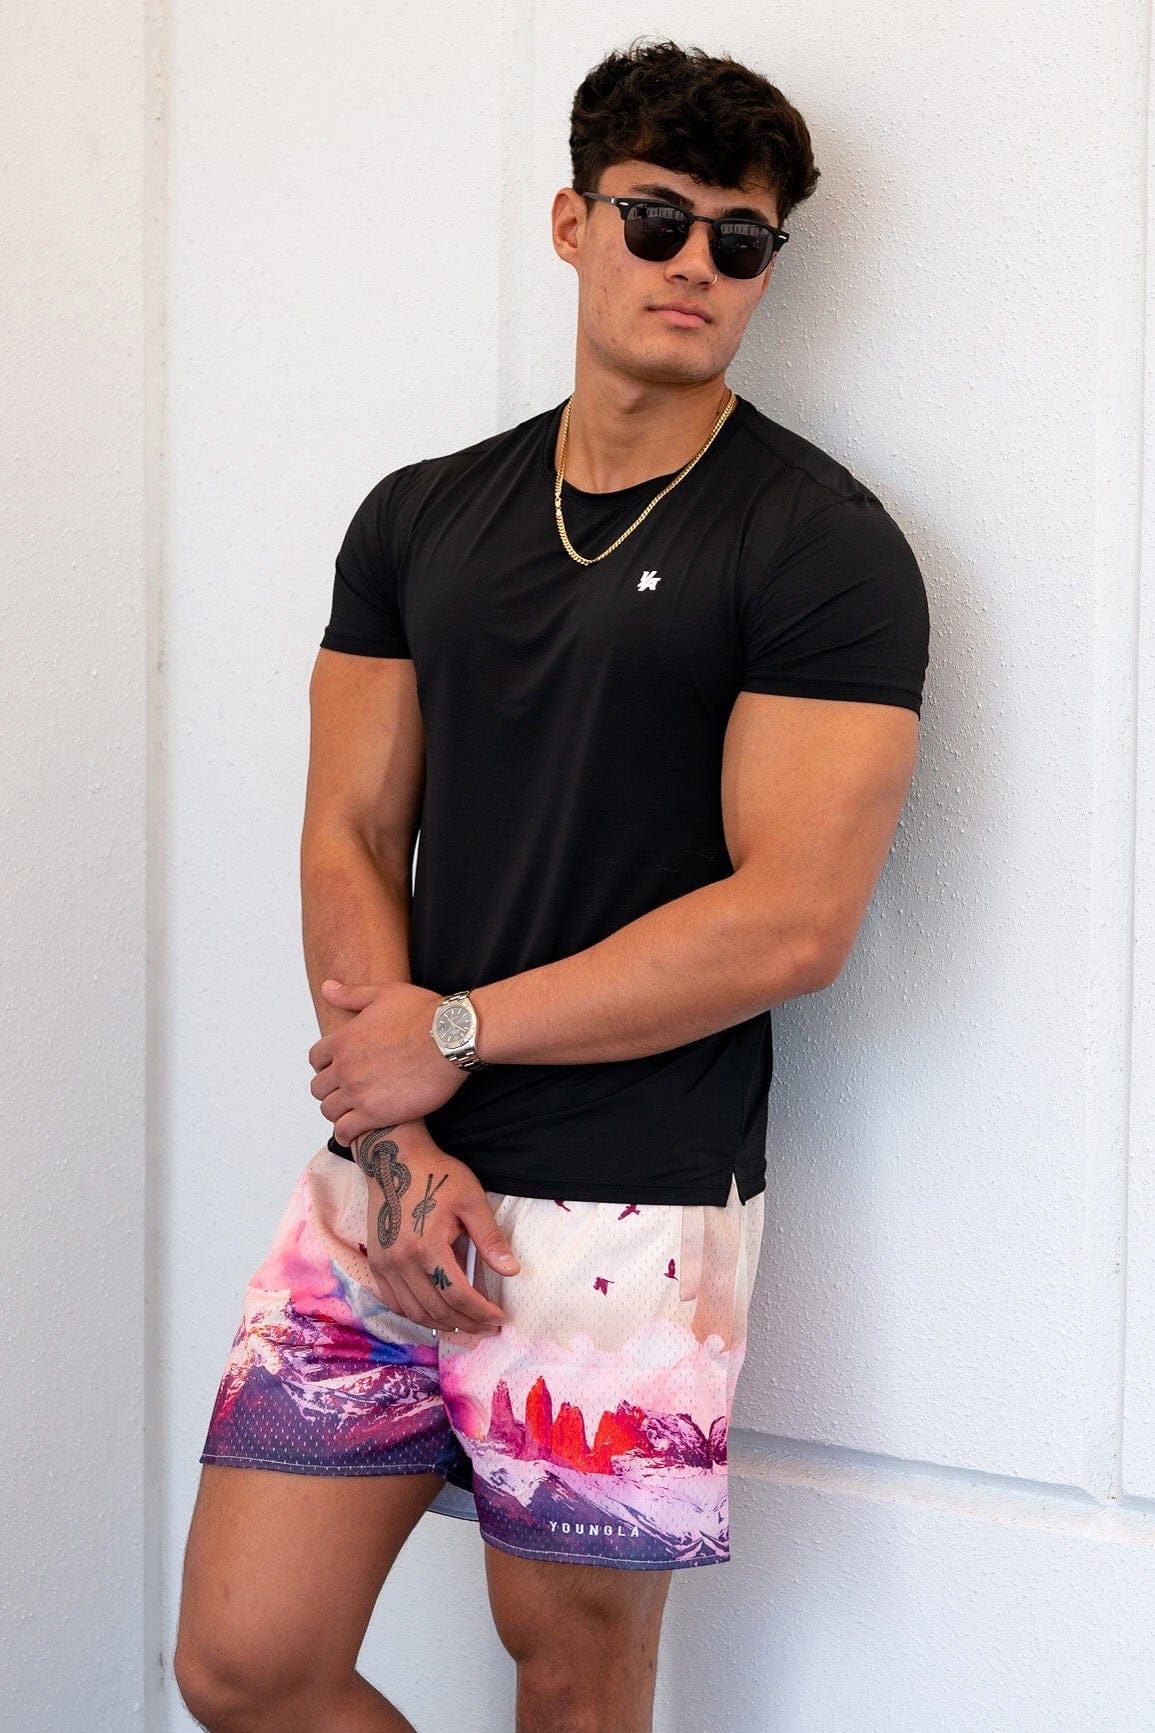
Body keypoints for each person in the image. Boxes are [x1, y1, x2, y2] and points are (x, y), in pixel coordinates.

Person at [175, 38, 930, 1733]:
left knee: (575, 1681)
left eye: (741, 240)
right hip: (393, 1166)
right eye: (658, 219)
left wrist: (450, 1031)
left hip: (633, 1202)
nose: (696, 263)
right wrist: (397, 1135)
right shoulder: (423, 516)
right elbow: (348, 830)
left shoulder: (819, 543)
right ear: (574, 222)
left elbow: (794, 917)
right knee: (245, 1659)